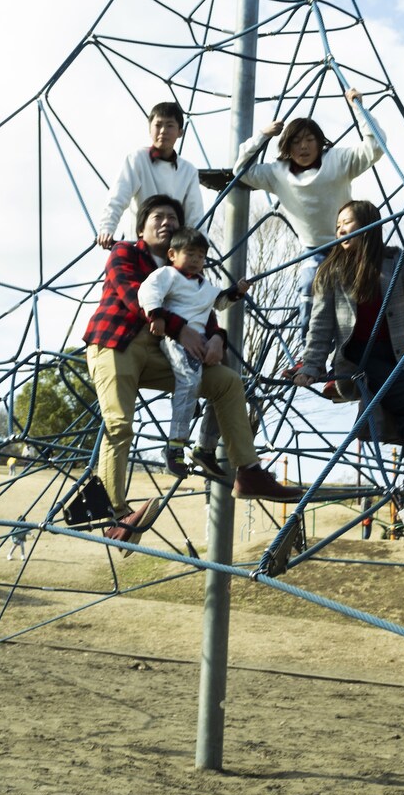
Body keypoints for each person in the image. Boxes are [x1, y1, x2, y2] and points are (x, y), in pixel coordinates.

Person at [84, 194, 297, 540]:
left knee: (227, 380)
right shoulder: (125, 253)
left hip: (161, 351)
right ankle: (114, 516)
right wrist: (180, 328)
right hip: (116, 343)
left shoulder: (188, 273)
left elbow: (203, 312)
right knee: (120, 424)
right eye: (158, 217)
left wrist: (217, 338)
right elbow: (134, 296)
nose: (167, 222)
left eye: (173, 218)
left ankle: (248, 469)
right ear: (141, 227)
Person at [294, 198, 404, 536]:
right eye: (337, 226)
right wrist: (311, 365)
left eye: (347, 223)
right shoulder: (331, 271)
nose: (340, 230)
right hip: (360, 358)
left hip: (396, 355)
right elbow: (321, 325)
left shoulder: (393, 261)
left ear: (368, 224)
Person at [233, 87, 385, 338]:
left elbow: (375, 147)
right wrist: (262, 135)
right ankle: (309, 355)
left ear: (319, 142)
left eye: (309, 140)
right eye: (295, 141)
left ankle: (343, 363)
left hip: (348, 245)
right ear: (287, 145)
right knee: (308, 289)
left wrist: (359, 108)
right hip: (314, 248)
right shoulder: (277, 173)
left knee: (352, 301)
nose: (303, 147)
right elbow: (242, 171)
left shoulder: (338, 159)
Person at [136, 226, 252, 476]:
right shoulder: (168, 275)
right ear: (172, 254)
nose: (197, 261)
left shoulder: (204, 286)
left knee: (224, 386)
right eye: (190, 254)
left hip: (202, 343)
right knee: (189, 382)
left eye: (201, 256)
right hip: (177, 339)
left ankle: (205, 446)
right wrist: (155, 315)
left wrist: (237, 292)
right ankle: (175, 446)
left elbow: (219, 302)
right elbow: (148, 290)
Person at [95, 100, 206, 249]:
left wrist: (199, 248)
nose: (163, 131)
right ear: (149, 130)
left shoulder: (188, 171)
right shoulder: (138, 159)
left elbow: (195, 215)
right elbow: (119, 196)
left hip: (171, 252)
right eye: (158, 125)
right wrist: (107, 228)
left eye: (170, 125)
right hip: (139, 247)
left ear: (180, 132)